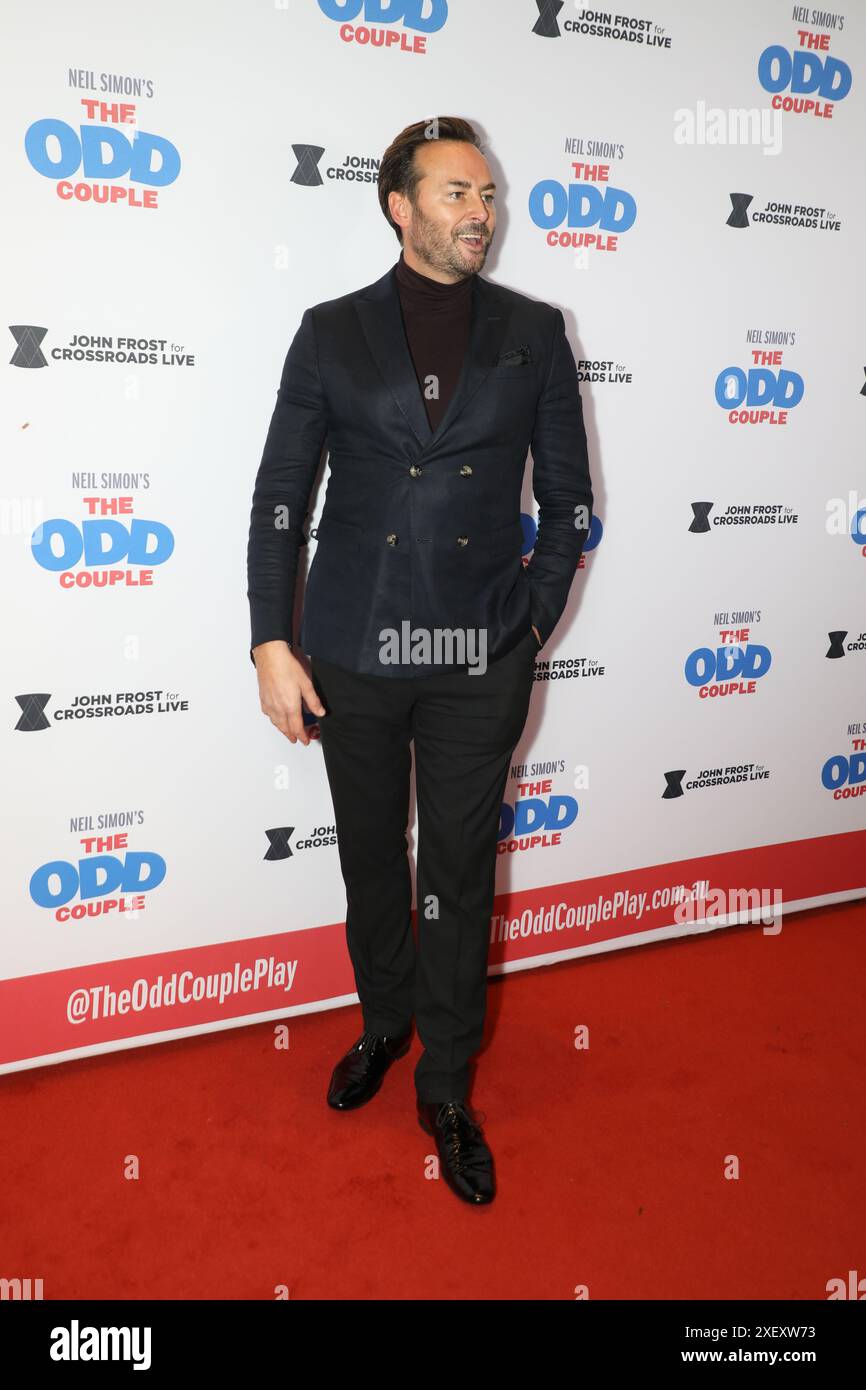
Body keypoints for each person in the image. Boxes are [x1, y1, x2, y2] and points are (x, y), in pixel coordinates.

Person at [246, 116, 593, 1205]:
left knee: (452, 870)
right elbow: (280, 499)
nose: (478, 213)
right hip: (353, 642)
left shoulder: (535, 329)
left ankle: (445, 1082)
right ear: (398, 205)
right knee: (366, 856)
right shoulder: (329, 331)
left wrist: (528, 625)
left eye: (486, 195)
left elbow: (570, 502)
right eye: (454, 193)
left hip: (476, 648)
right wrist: (269, 637)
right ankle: (384, 1022)